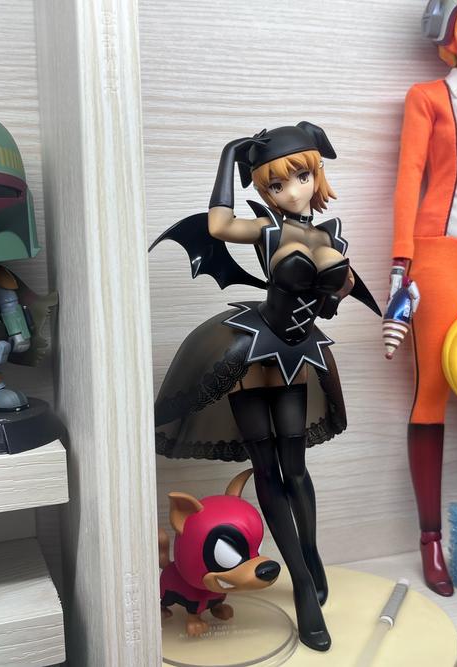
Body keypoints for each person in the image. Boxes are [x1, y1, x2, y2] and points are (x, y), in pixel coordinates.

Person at [153, 121, 379, 651]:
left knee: (295, 466)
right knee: (267, 468)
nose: (292, 191)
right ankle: (300, 581)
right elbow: (217, 225)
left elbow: (327, 305)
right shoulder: (268, 230)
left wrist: (339, 289)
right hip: (253, 352)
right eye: (276, 184)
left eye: (301, 177)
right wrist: (228, 155)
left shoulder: (332, 235)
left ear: (316, 175)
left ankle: (311, 553)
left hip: (298, 353)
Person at [389, 1, 457, 596]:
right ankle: (429, 539)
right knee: (433, 388)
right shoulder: (428, 97)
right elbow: (409, 176)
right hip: (442, 249)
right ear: (450, 37)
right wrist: (402, 260)